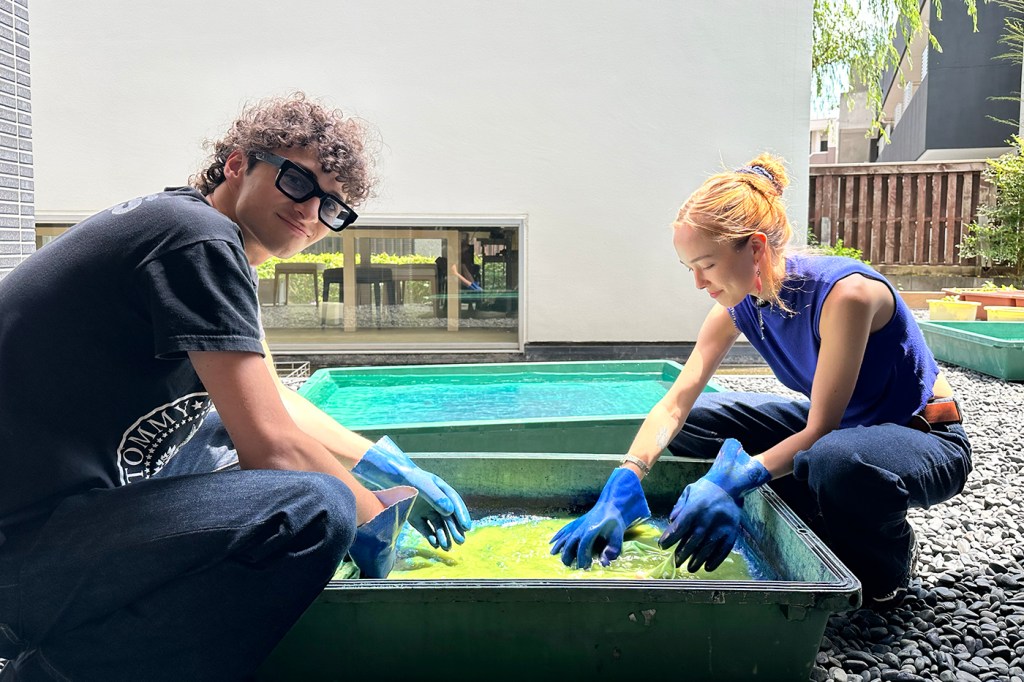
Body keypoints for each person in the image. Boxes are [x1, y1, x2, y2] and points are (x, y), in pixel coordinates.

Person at [0, 93, 470, 681]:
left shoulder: (190, 229)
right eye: (298, 181)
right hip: (22, 552)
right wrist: (370, 513)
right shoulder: (195, 239)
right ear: (238, 163)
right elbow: (271, 445)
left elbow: (268, 400)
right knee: (312, 508)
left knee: (231, 433)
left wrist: (375, 462)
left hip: (52, 522)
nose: (311, 212)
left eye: (333, 208)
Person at [550, 153, 972, 609]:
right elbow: (675, 406)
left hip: (919, 433)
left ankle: (888, 563)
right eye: (688, 267)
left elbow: (821, 431)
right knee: (699, 421)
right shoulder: (737, 306)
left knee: (834, 462)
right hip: (842, 431)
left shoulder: (846, 295)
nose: (697, 283)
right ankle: (815, 521)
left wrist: (733, 481)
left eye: (706, 265)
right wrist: (628, 474)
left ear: (754, 248)